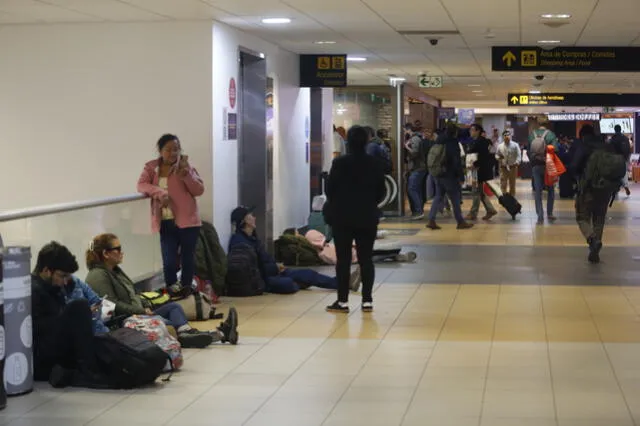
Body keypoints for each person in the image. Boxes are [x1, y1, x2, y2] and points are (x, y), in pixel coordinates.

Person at [85, 233, 239, 348]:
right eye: (117, 249)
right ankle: (218, 333)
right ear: (106, 254)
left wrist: (144, 306)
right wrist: (141, 311)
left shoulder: (115, 271)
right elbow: (112, 305)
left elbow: (130, 295)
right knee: (168, 326)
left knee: (174, 308)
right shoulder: (98, 276)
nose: (121, 252)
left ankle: (190, 334)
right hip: (124, 320)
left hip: (136, 312)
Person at [324, 125, 387, 313]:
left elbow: (330, 191)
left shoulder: (339, 163)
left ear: (348, 142)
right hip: (367, 216)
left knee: (343, 260)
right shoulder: (374, 163)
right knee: (366, 259)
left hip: (342, 217)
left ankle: (342, 301)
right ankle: (367, 300)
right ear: (367, 141)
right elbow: (381, 191)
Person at [32, 242, 111, 388]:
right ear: (46, 270)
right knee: (79, 306)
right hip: (43, 360)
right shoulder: (33, 292)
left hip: (56, 349)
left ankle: (90, 365)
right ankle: (88, 371)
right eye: (62, 276)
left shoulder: (55, 287)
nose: (64, 281)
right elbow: (41, 332)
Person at [229, 206, 360, 295]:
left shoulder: (251, 239)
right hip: (265, 277)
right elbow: (256, 267)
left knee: (308, 274)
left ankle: (342, 283)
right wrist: (275, 268)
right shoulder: (241, 242)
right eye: (251, 215)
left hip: (272, 271)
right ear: (245, 221)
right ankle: (342, 283)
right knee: (290, 283)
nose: (254, 217)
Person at [137, 134, 204, 296]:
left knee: (187, 258)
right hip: (165, 220)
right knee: (168, 260)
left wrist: (185, 174)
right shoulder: (151, 168)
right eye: (168, 149)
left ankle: (186, 290)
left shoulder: (185, 168)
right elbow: (141, 185)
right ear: (160, 151)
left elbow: (198, 190)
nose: (173, 153)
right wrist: (159, 192)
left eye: (176, 149)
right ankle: (172, 291)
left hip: (187, 221)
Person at [571, 124, 627, 263]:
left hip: (589, 188)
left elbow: (574, 166)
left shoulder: (584, 147)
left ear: (582, 135)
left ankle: (592, 239)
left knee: (582, 217)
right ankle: (594, 252)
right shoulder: (606, 146)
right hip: (606, 189)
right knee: (599, 218)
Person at [426, 123, 474, 230]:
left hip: (438, 173)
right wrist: (461, 177)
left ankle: (431, 220)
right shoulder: (452, 142)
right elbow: (456, 161)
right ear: (455, 132)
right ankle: (460, 222)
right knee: (455, 198)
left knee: (438, 196)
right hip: (449, 175)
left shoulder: (439, 140)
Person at [529, 118, 559, 224]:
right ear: (547, 123)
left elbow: (529, 150)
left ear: (538, 123)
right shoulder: (551, 135)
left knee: (538, 191)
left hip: (536, 166)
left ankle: (540, 215)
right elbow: (556, 150)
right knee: (551, 190)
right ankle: (549, 213)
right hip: (548, 166)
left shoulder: (532, 134)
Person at [466, 124, 497, 221]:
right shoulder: (480, 141)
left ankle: (473, 213)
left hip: (477, 170)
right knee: (479, 192)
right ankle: (490, 209)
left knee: (475, 192)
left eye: (472, 130)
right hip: (478, 170)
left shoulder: (480, 142)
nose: (470, 132)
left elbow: (483, 156)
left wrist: (475, 164)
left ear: (478, 131)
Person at [496, 130, 522, 196]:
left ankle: (512, 198)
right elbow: (496, 154)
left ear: (510, 136)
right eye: (505, 135)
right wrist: (498, 157)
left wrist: (517, 162)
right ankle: (504, 198)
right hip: (503, 168)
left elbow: (519, 155)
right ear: (503, 137)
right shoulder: (500, 146)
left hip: (512, 167)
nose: (507, 137)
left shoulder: (515, 145)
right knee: (503, 184)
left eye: (508, 135)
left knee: (512, 184)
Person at [610, 124, 632, 196]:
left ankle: (614, 188)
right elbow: (628, 149)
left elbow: (610, 149)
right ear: (620, 129)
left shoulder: (613, 138)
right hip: (624, 158)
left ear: (614, 130)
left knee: (614, 173)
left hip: (615, 159)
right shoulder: (625, 138)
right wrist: (627, 159)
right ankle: (625, 186)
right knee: (624, 173)